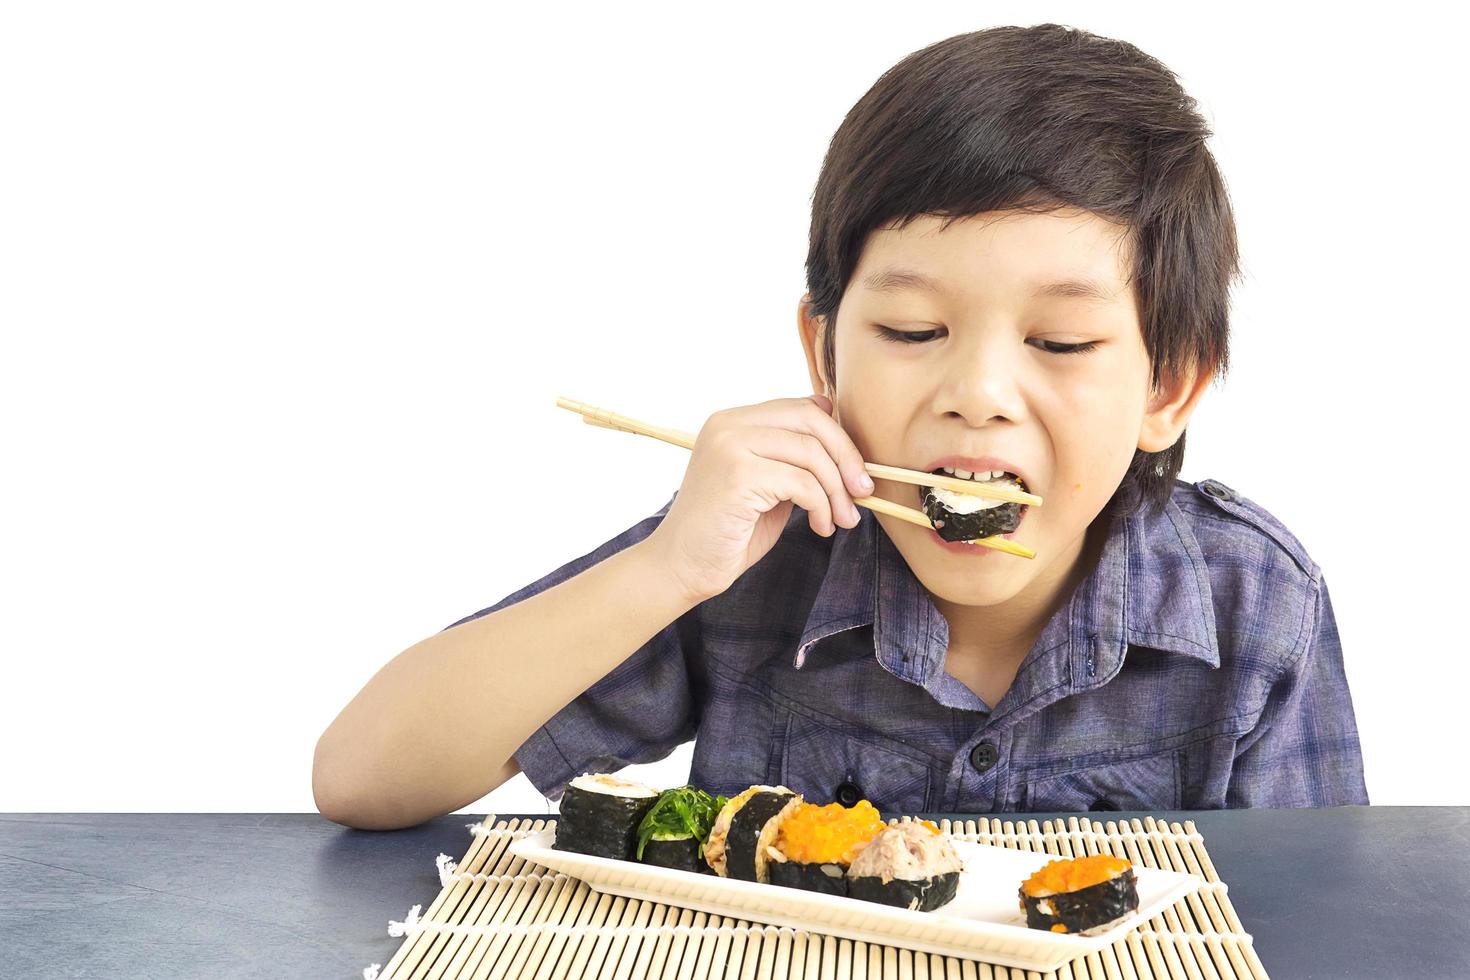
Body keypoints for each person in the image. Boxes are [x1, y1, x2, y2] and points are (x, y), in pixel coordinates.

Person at [313, 23, 1368, 830]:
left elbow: (1327, 925)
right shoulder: (753, 557)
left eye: (1060, 343)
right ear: (822, 356)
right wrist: (668, 568)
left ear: (1168, 390)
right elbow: (362, 778)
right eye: (914, 328)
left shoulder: (1255, 602)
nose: (980, 392)